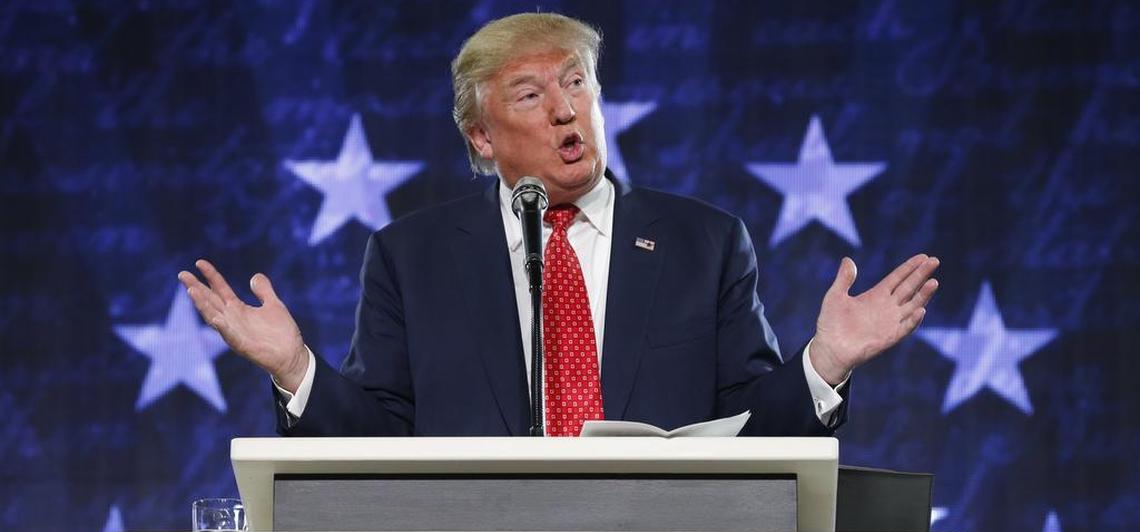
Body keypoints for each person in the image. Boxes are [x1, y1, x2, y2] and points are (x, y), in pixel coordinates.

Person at [177, 13, 938, 438]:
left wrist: (825, 362)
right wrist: (295, 370)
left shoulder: (703, 242)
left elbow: (749, 430)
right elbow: (379, 436)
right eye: (531, 94)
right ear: (482, 137)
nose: (567, 108)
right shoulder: (411, 256)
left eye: (577, 82)